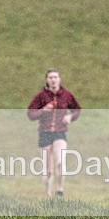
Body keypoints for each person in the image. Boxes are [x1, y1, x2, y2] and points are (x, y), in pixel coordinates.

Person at [27, 68, 81, 199]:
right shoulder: (41, 97)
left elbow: (77, 109)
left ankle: (60, 190)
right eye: (50, 77)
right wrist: (43, 111)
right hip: (44, 134)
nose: (53, 80)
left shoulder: (66, 95)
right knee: (48, 170)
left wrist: (70, 117)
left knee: (60, 162)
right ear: (47, 80)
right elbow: (31, 114)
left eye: (55, 77)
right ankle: (48, 196)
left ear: (59, 79)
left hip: (60, 133)